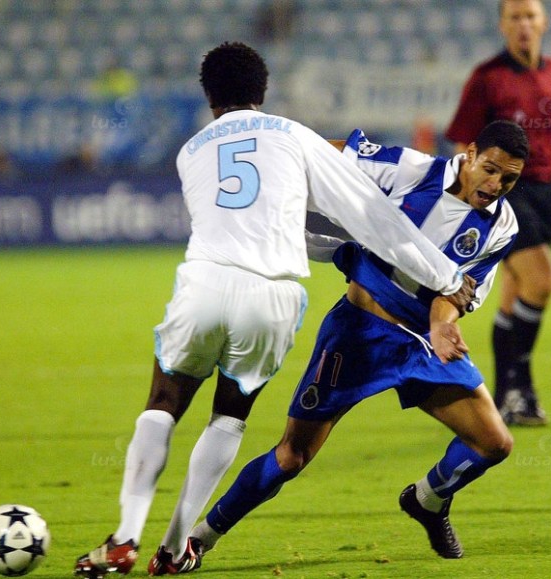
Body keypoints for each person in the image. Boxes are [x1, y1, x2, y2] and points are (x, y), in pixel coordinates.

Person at [73, 42, 475, 579]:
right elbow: (369, 214)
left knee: (164, 402)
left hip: (206, 281)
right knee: (229, 415)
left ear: (209, 96)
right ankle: (172, 548)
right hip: (273, 294)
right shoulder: (293, 135)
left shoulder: (189, 152)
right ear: (262, 91)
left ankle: (124, 537)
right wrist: (445, 276)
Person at [163, 119, 530, 569]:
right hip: (358, 335)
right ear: (469, 154)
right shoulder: (412, 170)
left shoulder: (502, 225)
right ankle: (200, 538)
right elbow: (328, 153)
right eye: (490, 169)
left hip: (421, 343)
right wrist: (270, 161)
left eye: (509, 179)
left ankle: (428, 500)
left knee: (494, 443)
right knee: (292, 455)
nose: (496, 185)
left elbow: (459, 291)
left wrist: (441, 323)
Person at [445, 0, 551, 426]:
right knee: (541, 280)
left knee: (514, 294)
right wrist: (471, 196)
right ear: (502, 25)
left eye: (530, 16)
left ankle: (506, 397)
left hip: (544, 194)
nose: (523, 25)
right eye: (514, 17)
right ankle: (521, 388)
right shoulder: (487, 78)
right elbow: (464, 145)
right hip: (504, 194)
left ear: (544, 22)